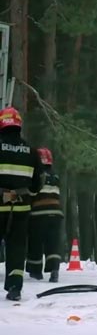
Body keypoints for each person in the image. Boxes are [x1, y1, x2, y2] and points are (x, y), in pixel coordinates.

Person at [0, 107, 43, 301]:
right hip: (21, 208)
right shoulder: (32, 152)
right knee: (17, 247)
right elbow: (37, 183)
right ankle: (15, 288)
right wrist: (28, 195)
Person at [26, 147, 64, 283]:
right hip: (56, 214)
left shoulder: (36, 175)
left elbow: (31, 193)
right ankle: (54, 270)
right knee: (52, 243)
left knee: (35, 242)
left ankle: (35, 270)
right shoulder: (55, 176)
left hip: (38, 214)